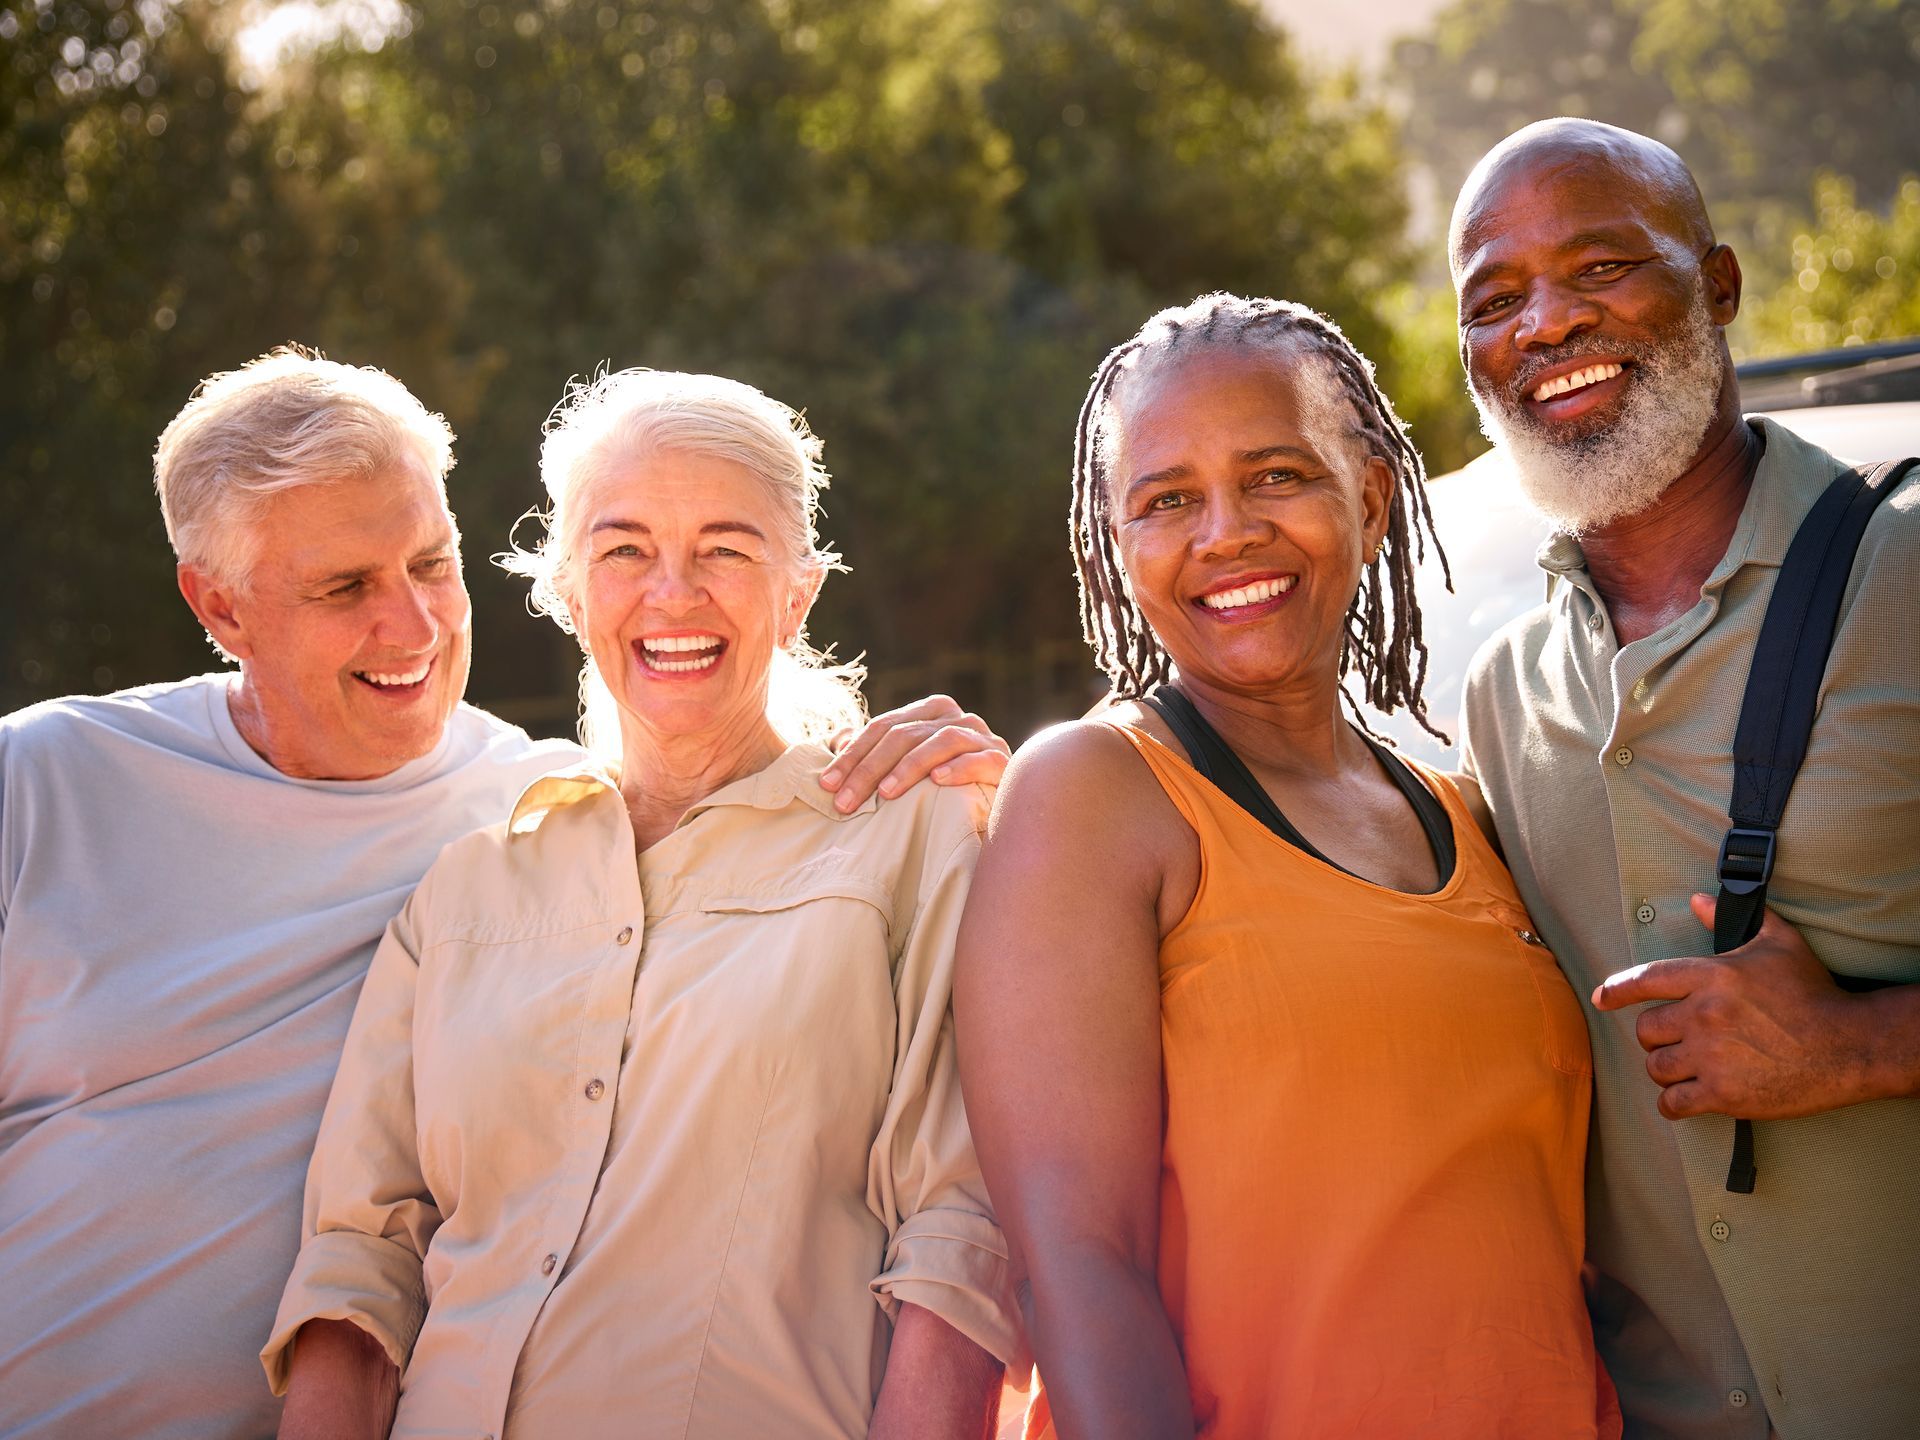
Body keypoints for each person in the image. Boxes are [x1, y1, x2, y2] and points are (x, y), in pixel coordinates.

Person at [0, 349, 1007, 1440]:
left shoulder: (909, 833)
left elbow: (959, 1229)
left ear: (800, 586)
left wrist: (1007, 792)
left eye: (725, 549)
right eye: (626, 549)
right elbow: (362, 1257)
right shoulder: (465, 872)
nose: (416, 629)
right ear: (569, 588)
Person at [954, 293, 1618, 1439]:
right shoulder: (1095, 796)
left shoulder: (1466, 811)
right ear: (1122, 549)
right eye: (1168, 501)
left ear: (1367, 498)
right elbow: (1077, 1264)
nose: (1226, 533)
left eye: (1275, 476)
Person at [1450, 118, 1920, 1440]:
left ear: (1716, 287)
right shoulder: (1496, 700)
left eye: (1600, 269)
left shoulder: (1911, 580)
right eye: (1496, 299)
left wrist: (1859, 1047)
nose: (1546, 322)